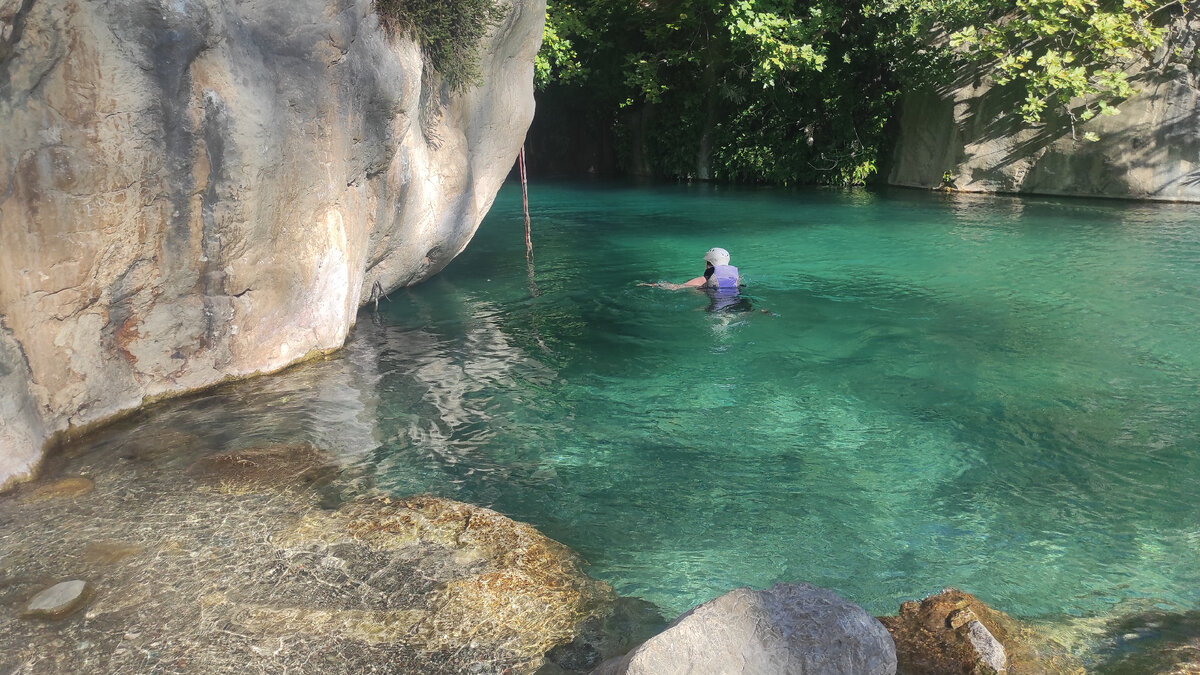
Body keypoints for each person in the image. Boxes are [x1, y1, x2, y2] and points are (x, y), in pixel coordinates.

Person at [642, 247, 740, 291]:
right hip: (739, 308)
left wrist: (653, 285)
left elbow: (675, 288)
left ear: (707, 263)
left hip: (717, 312)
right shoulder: (736, 278)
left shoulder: (702, 280)